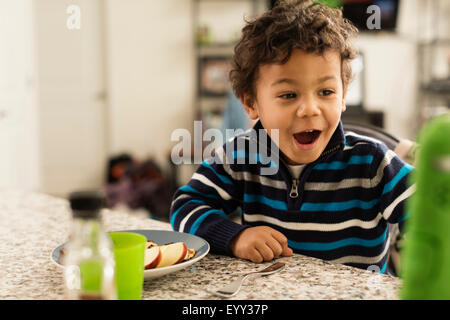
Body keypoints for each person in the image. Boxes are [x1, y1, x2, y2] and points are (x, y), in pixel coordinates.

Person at [170, 0, 414, 274]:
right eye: (288, 95)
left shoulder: (372, 162)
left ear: (343, 95)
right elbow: (185, 206)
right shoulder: (241, 157)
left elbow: (430, 206)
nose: (310, 108)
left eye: (326, 92)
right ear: (251, 103)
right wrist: (235, 237)